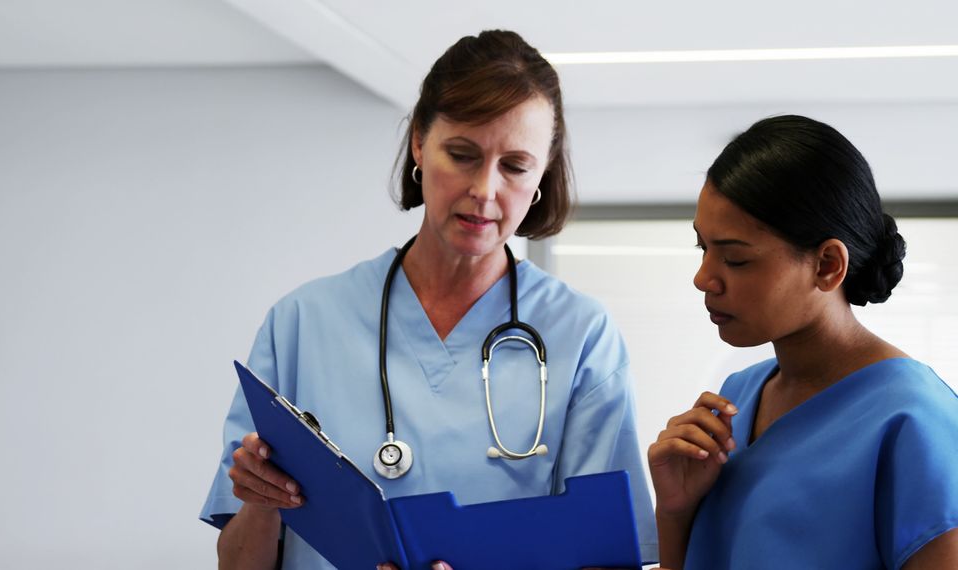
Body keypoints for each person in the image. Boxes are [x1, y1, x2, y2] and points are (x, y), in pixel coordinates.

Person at [200, 30, 658, 569]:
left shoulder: (580, 334)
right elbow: (237, 562)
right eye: (463, 155)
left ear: (542, 176)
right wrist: (262, 503)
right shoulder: (303, 323)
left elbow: (606, 556)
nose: (485, 190)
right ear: (419, 142)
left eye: (515, 166)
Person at [648, 114, 958, 569]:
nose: (703, 278)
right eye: (703, 249)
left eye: (735, 259)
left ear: (828, 265)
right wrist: (675, 512)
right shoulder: (735, 398)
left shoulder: (916, 421)